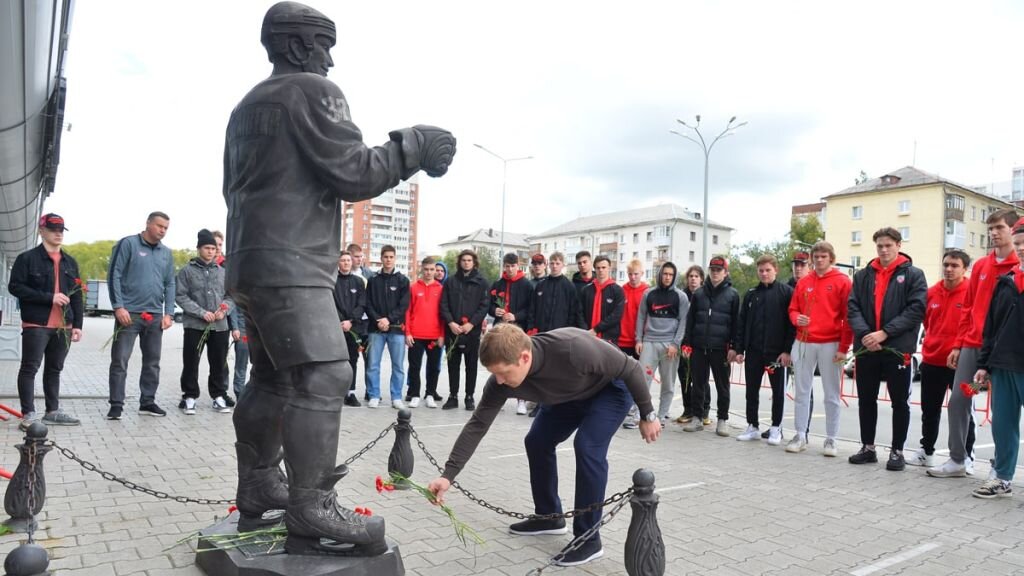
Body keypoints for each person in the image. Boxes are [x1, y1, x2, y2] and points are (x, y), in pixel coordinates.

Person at [224, 1, 455, 555]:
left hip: (251, 261)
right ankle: (310, 504)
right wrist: (416, 144)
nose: (329, 56)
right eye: (323, 43)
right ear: (300, 46)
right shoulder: (312, 91)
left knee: (274, 380)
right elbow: (355, 172)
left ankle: (258, 482)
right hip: (293, 261)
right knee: (327, 372)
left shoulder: (247, 104)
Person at [426, 324, 661, 567]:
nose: (499, 380)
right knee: (537, 441)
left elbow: (630, 367)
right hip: (569, 395)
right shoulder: (501, 382)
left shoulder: (573, 349)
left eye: (504, 373)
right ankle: (549, 517)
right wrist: (448, 475)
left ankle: (588, 539)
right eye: (494, 373)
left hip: (609, 391)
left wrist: (647, 414)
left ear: (524, 357)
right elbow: (478, 425)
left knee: (588, 446)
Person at [929, 208, 1020, 479]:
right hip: (974, 346)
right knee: (961, 398)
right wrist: (958, 344)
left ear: (1013, 231)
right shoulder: (981, 265)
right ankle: (958, 459)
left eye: (999, 228)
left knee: (1003, 410)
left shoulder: (1019, 264)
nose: (993, 233)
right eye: (990, 228)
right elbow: (968, 308)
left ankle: (999, 468)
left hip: (1006, 351)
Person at [846, 227, 927, 470]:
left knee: (899, 402)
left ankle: (897, 451)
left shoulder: (914, 275)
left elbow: (915, 310)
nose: (883, 250)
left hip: (897, 348)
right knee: (866, 399)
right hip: (867, 347)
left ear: (899, 245)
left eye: (888, 245)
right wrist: (866, 335)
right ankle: (868, 448)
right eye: (880, 246)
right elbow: (853, 307)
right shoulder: (863, 276)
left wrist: (885, 333)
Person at [9, 213, 84, 429]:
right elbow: (15, 287)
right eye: (53, 229)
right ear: (42, 231)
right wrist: (48, 297)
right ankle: (29, 414)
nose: (58, 233)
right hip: (36, 324)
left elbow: (77, 294)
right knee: (29, 368)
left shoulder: (70, 262)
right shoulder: (27, 259)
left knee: (55, 369)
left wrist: (78, 325)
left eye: (61, 230)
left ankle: (52, 411)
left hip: (64, 327)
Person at [971, 217, 1024, 498]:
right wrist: (983, 364)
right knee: (1003, 425)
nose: (1022, 248)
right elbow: (991, 327)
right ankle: (1002, 478)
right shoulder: (1006, 282)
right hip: (1003, 365)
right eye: (1018, 243)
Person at [106, 211, 176, 420]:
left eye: (166, 228)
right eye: (159, 226)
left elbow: (170, 283)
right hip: (129, 315)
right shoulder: (128, 244)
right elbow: (114, 275)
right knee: (120, 360)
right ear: (148, 224)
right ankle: (116, 405)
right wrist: (118, 307)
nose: (162, 230)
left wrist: (169, 313)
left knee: (152, 362)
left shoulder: (166, 253)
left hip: (155, 316)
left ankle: (147, 402)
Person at [786, 241, 852, 455]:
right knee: (801, 391)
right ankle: (800, 434)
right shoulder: (804, 281)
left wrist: (843, 347)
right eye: (816, 257)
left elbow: (848, 317)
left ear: (831, 258)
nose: (819, 260)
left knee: (832, 393)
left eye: (823, 256)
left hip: (830, 342)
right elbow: (792, 308)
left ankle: (831, 439)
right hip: (804, 341)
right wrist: (797, 319)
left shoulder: (843, 281)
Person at [908, 250, 970, 468]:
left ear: (965, 269)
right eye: (946, 265)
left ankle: (966, 456)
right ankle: (927, 451)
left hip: (962, 363)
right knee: (929, 410)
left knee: (964, 411)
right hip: (932, 360)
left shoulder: (971, 292)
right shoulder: (931, 292)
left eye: (954, 265)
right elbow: (924, 323)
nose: (949, 269)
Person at [733, 255, 795, 445]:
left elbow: (791, 326)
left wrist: (787, 351)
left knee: (778, 392)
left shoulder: (786, 293)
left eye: (768, 270)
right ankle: (752, 426)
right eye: (761, 270)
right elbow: (742, 323)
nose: (764, 273)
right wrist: (739, 349)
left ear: (775, 270)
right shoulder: (751, 294)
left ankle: (776, 428)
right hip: (753, 351)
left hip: (776, 354)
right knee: (751, 390)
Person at [176, 229, 235, 415]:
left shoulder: (224, 273)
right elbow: (180, 296)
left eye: (213, 248)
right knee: (191, 361)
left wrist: (224, 309)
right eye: (207, 248)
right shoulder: (186, 271)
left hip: (219, 326)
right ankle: (189, 396)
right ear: (199, 248)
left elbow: (231, 296)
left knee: (218, 362)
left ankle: (218, 396)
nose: (211, 251)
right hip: (195, 325)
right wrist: (201, 313)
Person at [625, 261, 687, 429]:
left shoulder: (681, 297)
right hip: (649, 343)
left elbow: (683, 322)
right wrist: (639, 339)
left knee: (668, 383)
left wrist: (675, 343)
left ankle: (661, 416)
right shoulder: (648, 294)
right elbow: (641, 317)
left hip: (670, 346)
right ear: (660, 275)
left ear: (674, 277)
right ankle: (639, 414)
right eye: (664, 274)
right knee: (642, 381)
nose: (667, 277)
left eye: (670, 275)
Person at [682, 256, 739, 436]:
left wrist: (734, 347)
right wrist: (687, 343)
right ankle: (697, 417)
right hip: (699, 346)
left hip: (720, 348)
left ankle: (722, 419)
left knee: (723, 386)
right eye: (713, 269)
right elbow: (690, 321)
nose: (715, 273)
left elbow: (737, 324)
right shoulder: (699, 294)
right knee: (698, 383)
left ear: (725, 272)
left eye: (719, 270)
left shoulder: (733, 295)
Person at [440, 249, 489, 411]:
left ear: (474, 262)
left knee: (471, 366)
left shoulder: (481, 282)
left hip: (471, 332)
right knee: (453, 365)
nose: (466, 263)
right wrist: (451, 323)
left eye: (469, 260)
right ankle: (453, 396)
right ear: (459, 262)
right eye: (463, 260)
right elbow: (444, 304)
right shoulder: (450, 281)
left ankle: (469, 396)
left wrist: (472, 324)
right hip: (453, 331)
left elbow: (484, 306)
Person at [366, 245, 412, 409]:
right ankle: (374, 395)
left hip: (396, 329)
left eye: (391, 257)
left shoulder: (402, 280)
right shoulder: (373, 280)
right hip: (376, 328)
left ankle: (396, 397)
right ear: (381, 258)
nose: (388, 260)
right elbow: (368, 303)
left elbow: (404, 305)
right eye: (385, 257)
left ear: (395, 258)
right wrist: (379, 319)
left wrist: (388, 319)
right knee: (373, 364)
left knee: (398, 365)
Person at [404, 256, 445, 408]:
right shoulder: (413, 287)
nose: (429, 272)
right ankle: (415, 394)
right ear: (421, 269)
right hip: (415, 335)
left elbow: (443, 314)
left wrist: (442, 335)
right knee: (414, 366)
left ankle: (430, 394)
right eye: (426, 269)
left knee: (433, 367)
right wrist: (407, 332)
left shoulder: (441, 289)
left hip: (434, 335)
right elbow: (407, 311)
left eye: (432, 270)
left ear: (436, 271)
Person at [333, 250, 366, 407]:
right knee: (336, 360)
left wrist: (351, 321)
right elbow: (330, 302)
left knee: (353, 360)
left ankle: (350, 392)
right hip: (336, 328)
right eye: (343, 260)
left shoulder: (358, 282)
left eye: (348, 260)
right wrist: (341, 321)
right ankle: (337, 392)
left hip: (354, 328)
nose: (346, 263)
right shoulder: (332, 281)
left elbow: (362, 303)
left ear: (351, 262)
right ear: (338, 263)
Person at [676, 265, 705, 425]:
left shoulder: (705, 295)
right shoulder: (682, 296)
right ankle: (688, 409)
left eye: (696, 276)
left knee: (700, 378)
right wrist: (684, 343)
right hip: (684, 342)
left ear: (701, 279)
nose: (693, 279)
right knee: (684, 376)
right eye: (690, 276)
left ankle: (703, 410)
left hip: (700, 342)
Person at [579, 256, 625, 345]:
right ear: (594, 269)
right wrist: (585, 330)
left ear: (609, 268)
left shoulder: (617, 290)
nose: (601, 270)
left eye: (603, 267)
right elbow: (579, 312)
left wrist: (596, 329)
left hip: (609, 338)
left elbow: (616, 315)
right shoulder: (586, 290)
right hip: (587, 336)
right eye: (598, 268)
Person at [617, 258, 648, 359]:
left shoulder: (647, 291)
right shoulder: (622, 290)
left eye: (636, 274)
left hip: (640, 341)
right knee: (622, 373)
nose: (633, 277)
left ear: (642, 273)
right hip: (622, 340)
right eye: (630, 274)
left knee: (639, 372)